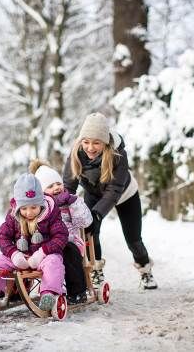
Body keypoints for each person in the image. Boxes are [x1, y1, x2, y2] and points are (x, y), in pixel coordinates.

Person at [63, 112, 158, 290]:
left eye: (96, 142)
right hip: (94, 193)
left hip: (125, 195)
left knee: (133, 239)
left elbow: (114, 190)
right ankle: (96, 270)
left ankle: (145, 269)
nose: (90, 147)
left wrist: (97, 214)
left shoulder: (117, 155)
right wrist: (62, 209)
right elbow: (68, 186)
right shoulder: (76, 153)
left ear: (105, 142)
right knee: (90, 232)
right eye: (86, 142)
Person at [0, 173, 68, 311]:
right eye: (24, 208)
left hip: (44, 256)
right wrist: (13, 254)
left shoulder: (51, 215)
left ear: (41, 204)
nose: (29, 213)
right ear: (18, 207)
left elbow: (61, 236)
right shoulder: (13, 217)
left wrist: (43, 252)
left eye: (34, 207)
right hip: (20, 257)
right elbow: (2, 236)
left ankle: (48, 294)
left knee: (54, 263)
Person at [31, 159, 92, 305]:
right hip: (49, 246)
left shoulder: (72, 201)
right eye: (50, 186)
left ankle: (77, 292)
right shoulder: (40, 208)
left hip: (70, 242)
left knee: (68, 251)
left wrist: (73, 204)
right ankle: (46, 290)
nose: (56, 187)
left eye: (58, 183)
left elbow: (85, 222)